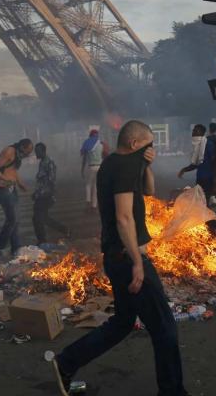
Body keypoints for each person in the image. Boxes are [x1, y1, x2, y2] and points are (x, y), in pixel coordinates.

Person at [52, 120, 187, 396]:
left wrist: (147, 165)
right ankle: (172, 391)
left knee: (123, 323)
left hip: (115, 255)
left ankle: (66, 363)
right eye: (149, 145)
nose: (153, 149)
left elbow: (148, 192)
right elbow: (124, 218)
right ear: (135, 144)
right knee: (164, 327)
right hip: (128, 256)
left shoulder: (115, 164)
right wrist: (138, 263)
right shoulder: (124, 166)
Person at [0, 138, 34, 257]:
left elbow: (12, 171)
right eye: (28, 151)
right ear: (23, 147)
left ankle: (16, 248)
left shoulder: (18, 156)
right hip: (3, 190)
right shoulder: (9, 151)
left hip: (11, 189)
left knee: (15, 219)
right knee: (12, 219)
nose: (29, 154)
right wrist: (6, 179)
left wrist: (19, 183)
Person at [31, 143, 69, 245]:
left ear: (43, 151)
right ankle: (64, 229)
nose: (36, 153)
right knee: (44, 218)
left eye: (37, 151)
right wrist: (36, 192)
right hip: (41, 194)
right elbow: (41, 181)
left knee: (37, 218)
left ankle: (42, 240)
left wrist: (50, 194)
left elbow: (51, 180)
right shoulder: (42, 162)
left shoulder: (49, 162)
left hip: (45, 195)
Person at [177, 124, 216, 204]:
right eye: (193, 131)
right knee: (200, 202)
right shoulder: (197, 146)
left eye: (195, 131)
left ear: (201, 133)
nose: (193, 133)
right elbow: (196, 164)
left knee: (204, 202)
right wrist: (184, 170)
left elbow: (214, 161)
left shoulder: (208, 144)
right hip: (200, 178)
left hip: (208, 179)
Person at [81, 129, 109, 212]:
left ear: (90, 135)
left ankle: (88, 200)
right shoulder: (101, 144)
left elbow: (84, 158)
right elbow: (105, 156)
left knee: (88, 184)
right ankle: (94, 206)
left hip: (91, 167)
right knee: (96, 186)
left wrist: (82, 169)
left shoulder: (87, 143)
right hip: (100, 167)